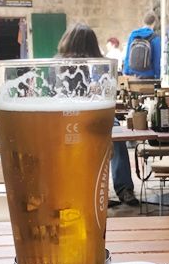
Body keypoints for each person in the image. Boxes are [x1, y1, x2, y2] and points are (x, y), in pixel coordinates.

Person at [56, 23, 139, 207]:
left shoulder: (77, 64)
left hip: (81, 118)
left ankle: (105, 191)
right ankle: (120, 189)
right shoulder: (63, 66)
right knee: (113, 135)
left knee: (115, 131)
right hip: (73, 119)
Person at [123, 11, 161, 79]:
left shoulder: (133, 35)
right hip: (148, 74)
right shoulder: (155, 38)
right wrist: (157, 75)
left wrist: (126, 71)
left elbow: (127, 55)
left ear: (144, 22)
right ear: (154, 23)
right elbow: (156, 59)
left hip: (133, 74)